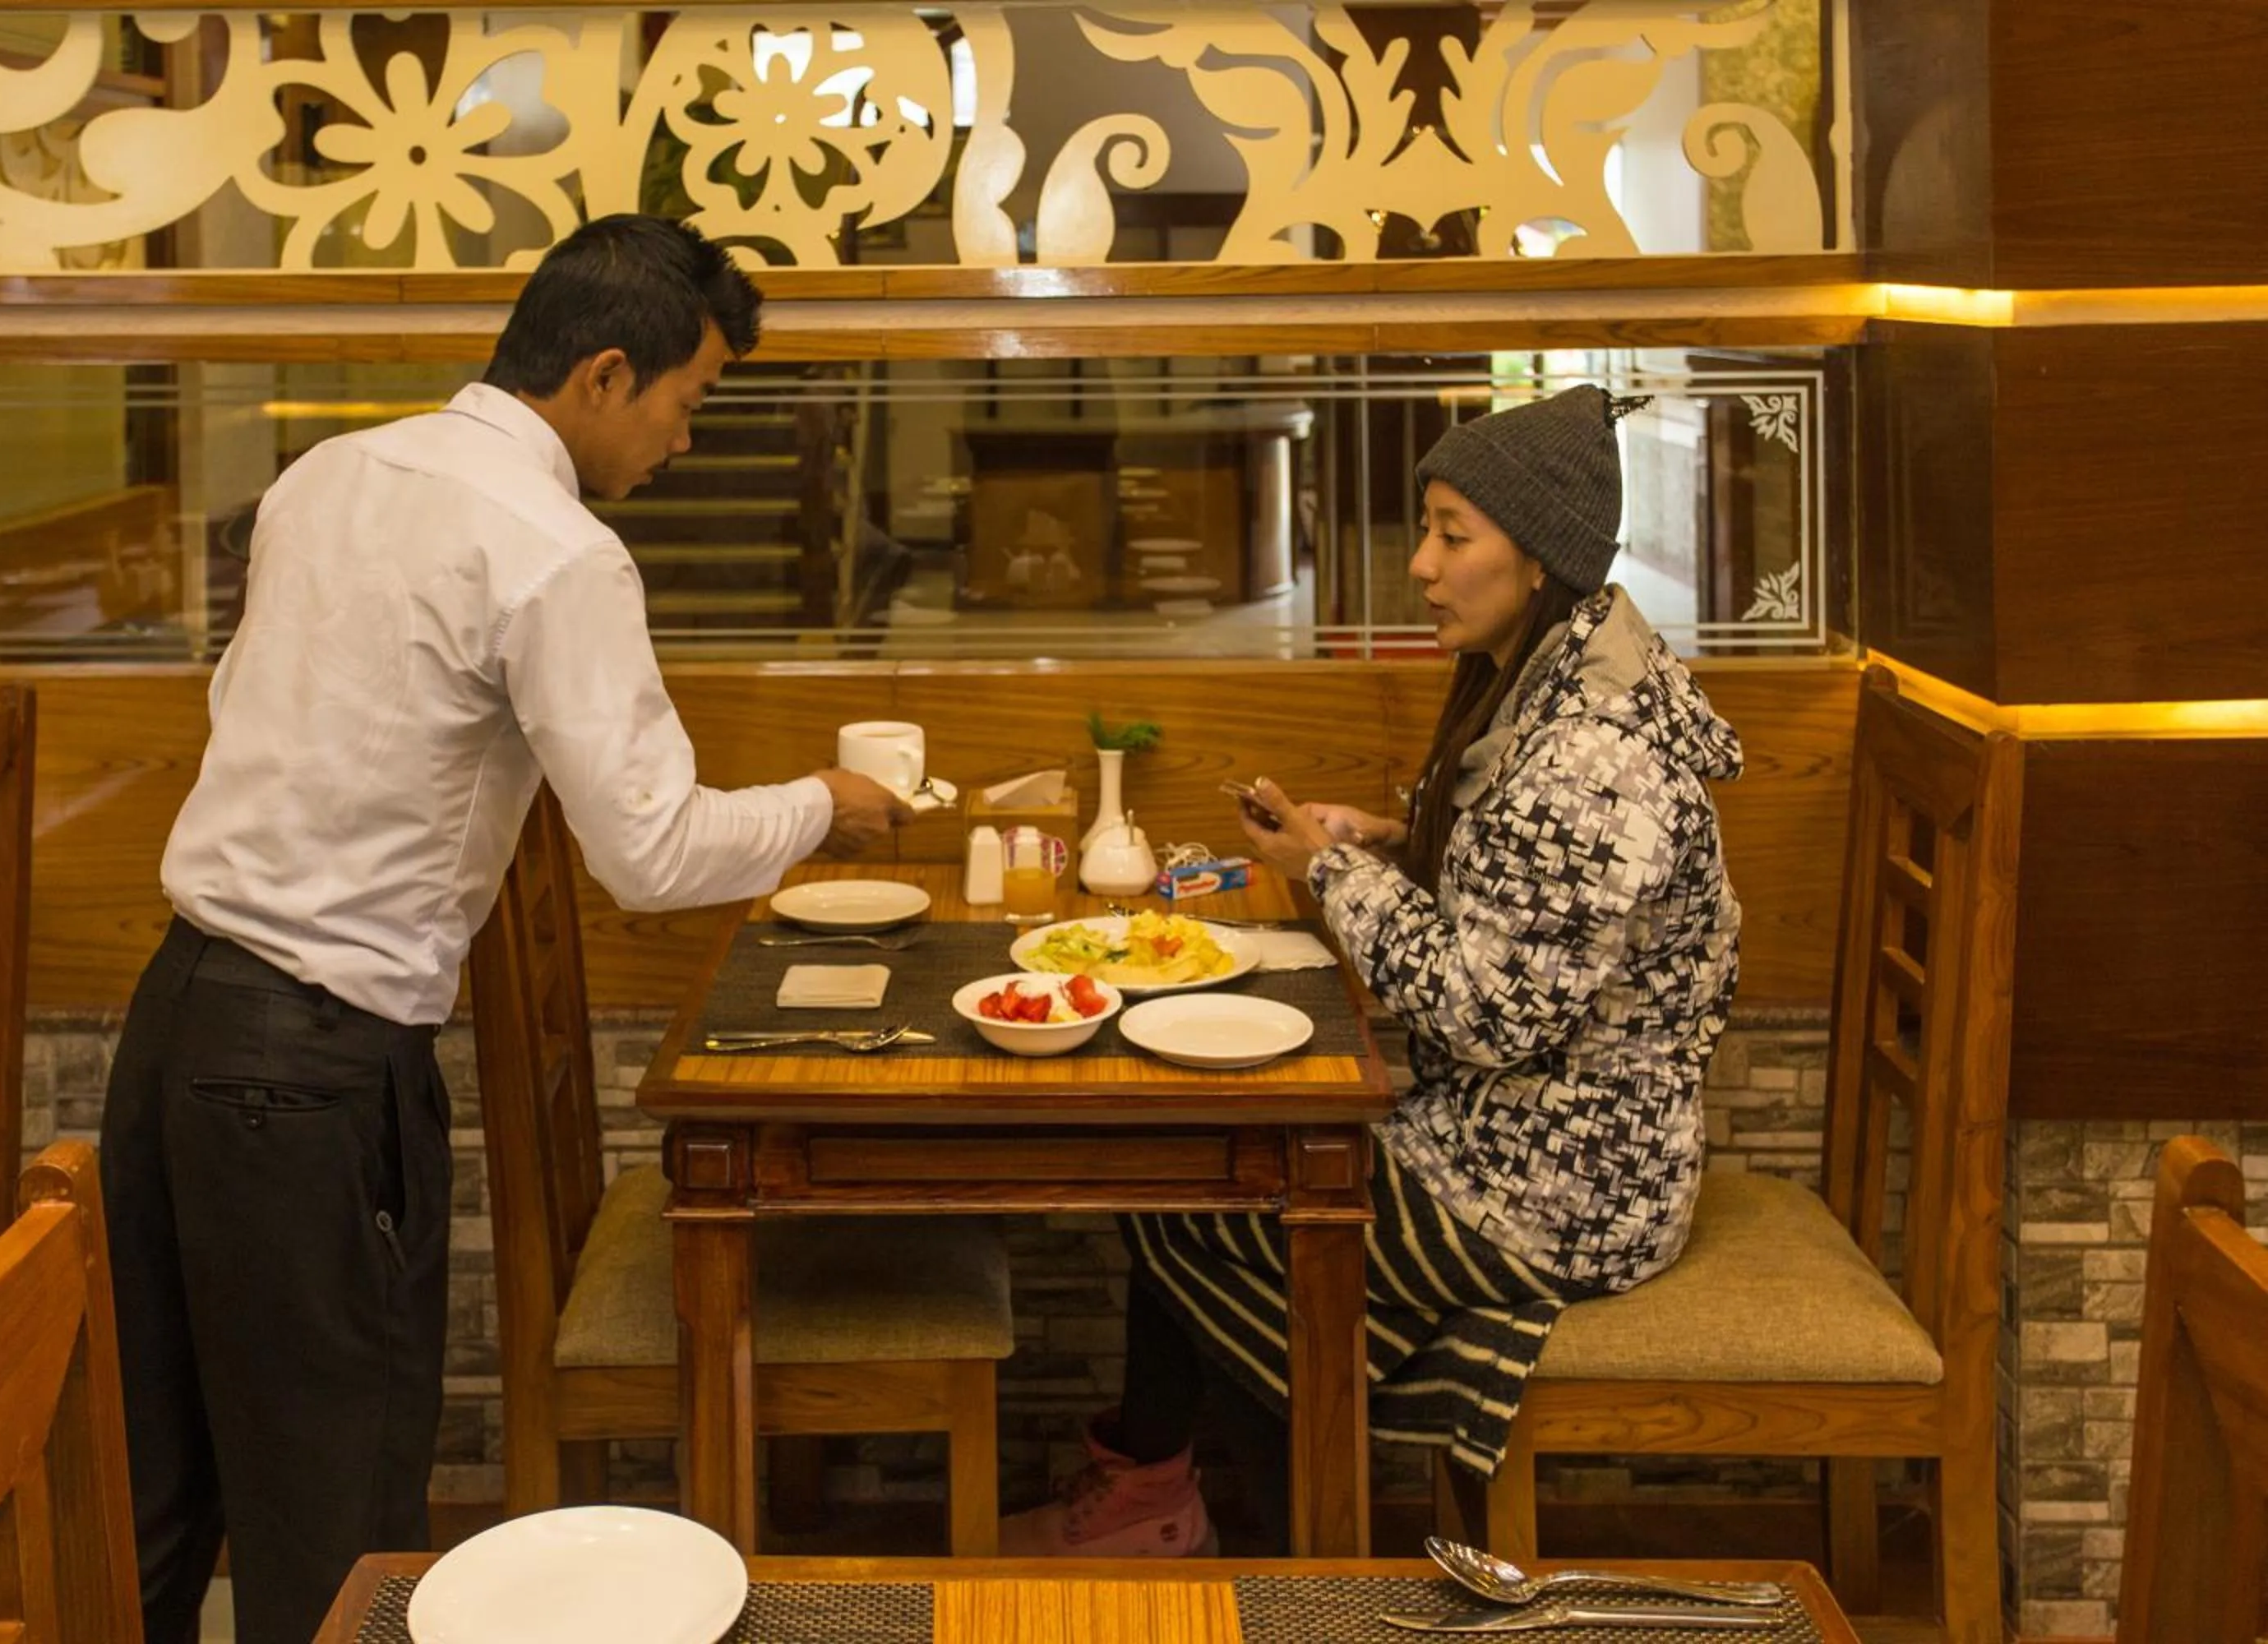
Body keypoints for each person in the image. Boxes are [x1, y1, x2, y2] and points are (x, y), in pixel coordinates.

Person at [100, 215, 912, 1643]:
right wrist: (821, 804)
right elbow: (651, 853)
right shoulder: (556, 552)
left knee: (155, 1488)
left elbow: (253, 710)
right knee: (337, 1531)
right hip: (311, 1068)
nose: (686, 439)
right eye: (690, 399)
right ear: (606, 373)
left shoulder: (328, 476)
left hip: (175, 1025)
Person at [1000, 384, 1743, 1556]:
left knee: (1214, 1204)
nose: (1424, 566)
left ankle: (1290, 1559)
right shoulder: (1544, 690)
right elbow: (1532, 906)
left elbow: (1487, 1011)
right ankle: (1187, 1508)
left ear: (1538, 560)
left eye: (1455, 535)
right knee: (1211, 1183)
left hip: (1562, 1188)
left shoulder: (1593, 760)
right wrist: (1391, 845)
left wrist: (1328, 876)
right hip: (1521, 1139)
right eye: (1428, 530)